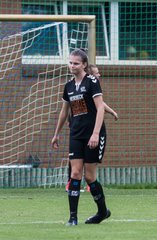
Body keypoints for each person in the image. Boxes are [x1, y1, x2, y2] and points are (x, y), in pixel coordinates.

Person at [51, 49, 111, 226]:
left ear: (84, 64)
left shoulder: (92, 81)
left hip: (91, 134)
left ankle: (102, 212)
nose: (72, 66)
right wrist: (56, 134)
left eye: (76, 63)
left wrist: (95, 133)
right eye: (70, 62)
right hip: (75, 134)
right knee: (75, 173)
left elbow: (100, 108)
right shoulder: (68, 86)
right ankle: (73, 217)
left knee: (90, 177)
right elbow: (64, 111)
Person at [65, 64, 118, 192]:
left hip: (90, 129)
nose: (98, 75)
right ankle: (72, 182)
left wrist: (111, 111)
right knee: (75, 159)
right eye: (96, 73)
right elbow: (68, 106)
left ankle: (89, 182)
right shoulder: (76, 85)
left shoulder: (92, 86)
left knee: (88, 165)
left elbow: (100, 104)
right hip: (81, 129)